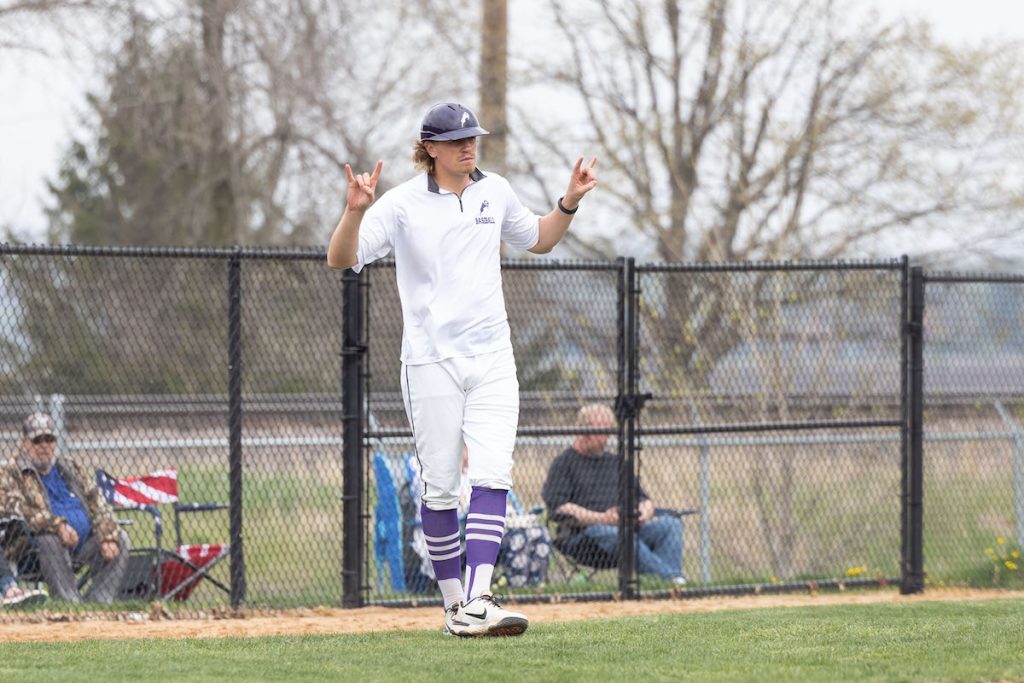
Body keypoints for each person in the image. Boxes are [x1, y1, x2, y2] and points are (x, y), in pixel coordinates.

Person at [328, 102, 597, 636]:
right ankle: (456, 608)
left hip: (494, 357)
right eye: (456, 140)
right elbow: (341, 258)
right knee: (442, 490)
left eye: (472, 138)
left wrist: (568, 201)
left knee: (494, 474)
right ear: (430, 148)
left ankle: (478, 598)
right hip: (430, 363)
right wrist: (356, 209)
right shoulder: (402, 203)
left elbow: (539, 239)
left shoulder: (493, 190)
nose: (468, 146)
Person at [542, 404, 687, 585]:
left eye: (609, 430)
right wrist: (603, 518)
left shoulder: (616, 463)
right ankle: (672, 580)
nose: (607, 437)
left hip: (628, 530)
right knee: (613, 533)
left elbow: (644, 499)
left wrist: (643, 512)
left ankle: (666, 587)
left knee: (670, 525)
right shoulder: (563, 464)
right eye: (602, 431)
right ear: (583, 431)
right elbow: (559, 508)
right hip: (587, 539)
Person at [2, 412, 129, 603]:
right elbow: (16, 509)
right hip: (33, 549)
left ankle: (97, 603)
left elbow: (99, 503)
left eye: (49, 439)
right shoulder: (12, 471)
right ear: (25, 444)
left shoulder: (70, 467)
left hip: (82, 544)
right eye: (37, 440)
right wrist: (57, 526)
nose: (44, 445)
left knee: (121, 538)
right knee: (49, 539)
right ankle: (68, 602)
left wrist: (108, 535)